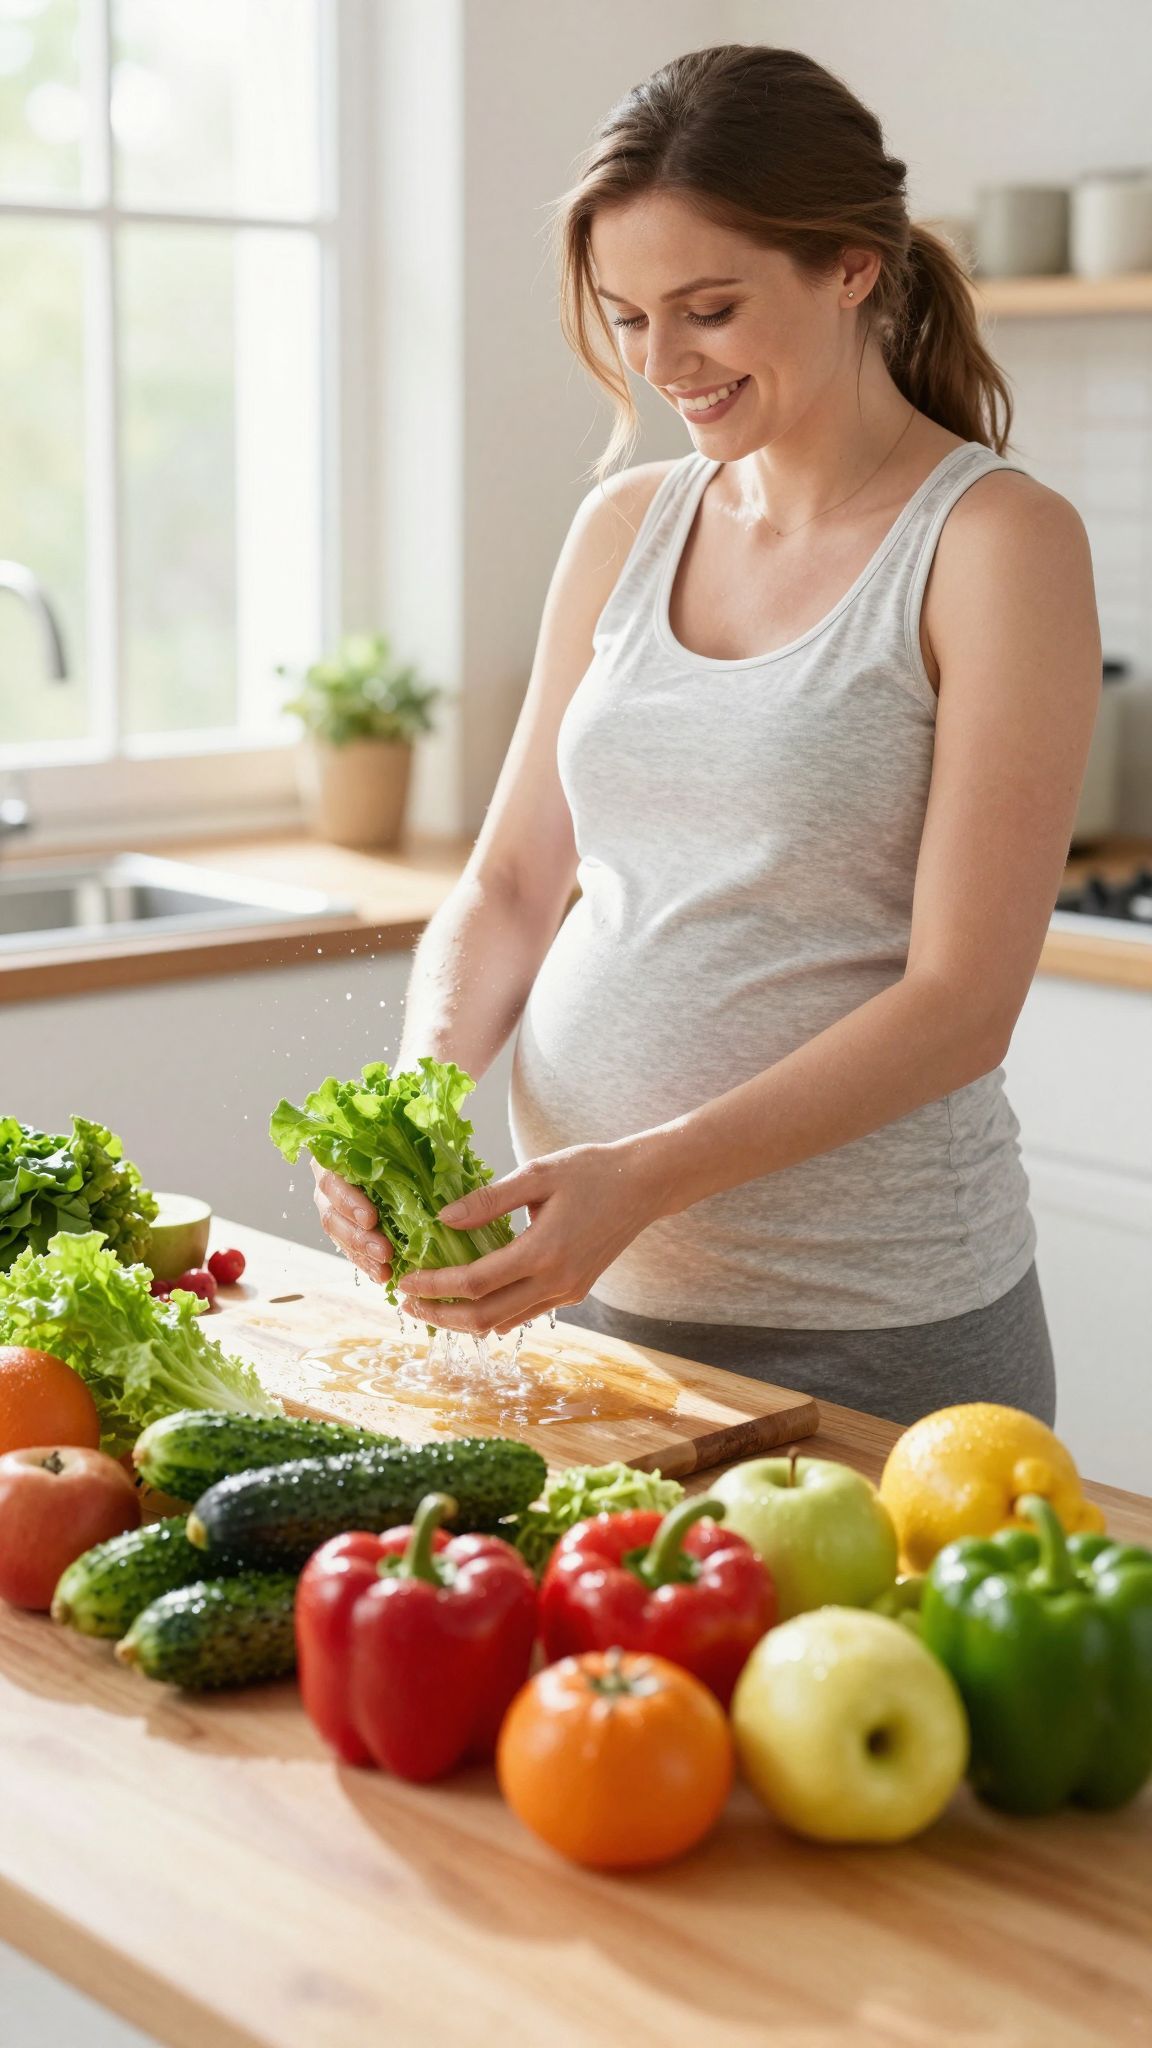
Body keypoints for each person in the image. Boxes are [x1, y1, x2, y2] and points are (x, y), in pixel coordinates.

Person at [313, 44, 1100, 1426]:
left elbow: (962, 1005)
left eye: (711, 309)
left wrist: (641, 1177)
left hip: (874, 1329)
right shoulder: (627, 525)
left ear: (851, 265)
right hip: (591, 1305)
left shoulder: (994, 543)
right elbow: (507, 888)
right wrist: (409, 1112)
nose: (664, 365)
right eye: (626, 318)